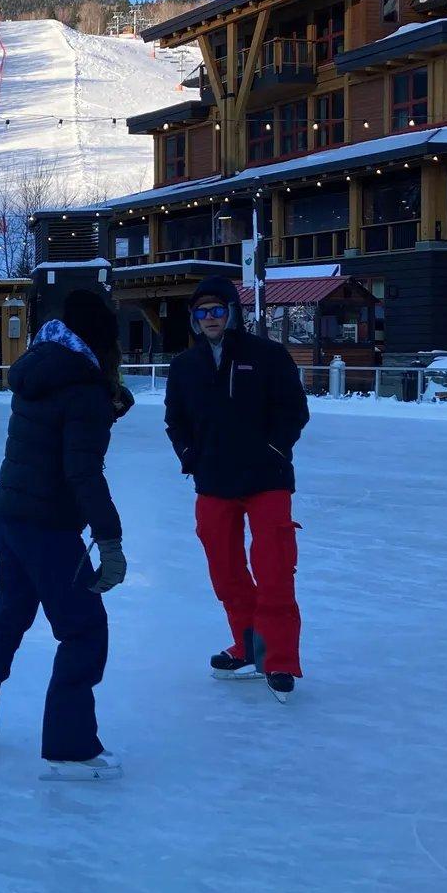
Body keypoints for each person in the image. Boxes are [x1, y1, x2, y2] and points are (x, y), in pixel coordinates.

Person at [0, 289, 128, 780]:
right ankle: (71, 748)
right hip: (48, 526)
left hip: (9, 516)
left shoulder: (41, 367)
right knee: (83, 629)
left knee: (7, 619)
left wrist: (103, 406)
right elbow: (82, 472)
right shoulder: (84, 388)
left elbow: (54, 432)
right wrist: (109, 540)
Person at [164, 275, 310, 700]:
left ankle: (278, 658)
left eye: (218, 310)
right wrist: (189, 455)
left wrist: (274, 450)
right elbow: (176, 420)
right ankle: (249, 646)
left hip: (266, 480)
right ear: (194, 319)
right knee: (226, 571)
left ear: (232, 313)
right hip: (213, 482)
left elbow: (293, 411)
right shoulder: (184, 366)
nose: (210, 318)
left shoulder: (267, 355)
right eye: (202, 312)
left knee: (274, 570)